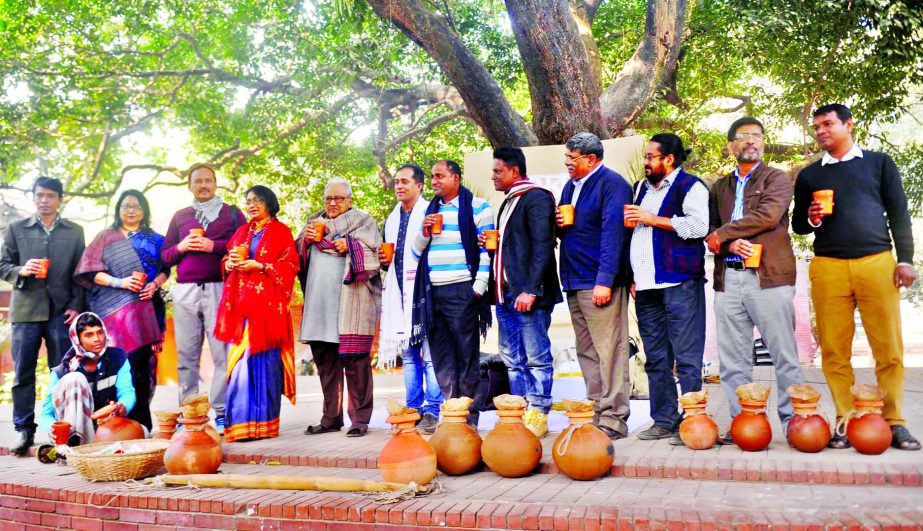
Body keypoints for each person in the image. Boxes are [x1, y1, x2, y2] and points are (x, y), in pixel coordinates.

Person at [792, 103, 919, 451]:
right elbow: (799, 225)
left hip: (877, 262)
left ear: (849, 125)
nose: (821, 131)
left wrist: (905, 259)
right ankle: (845, 419)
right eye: (816, 127)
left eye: (828, 124)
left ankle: (893, 422)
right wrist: (813, 217)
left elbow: (898, 213)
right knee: (834, 350)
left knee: (889, 349)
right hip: (828, 266)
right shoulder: (810, 175)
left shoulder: (879, 163)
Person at [705, 117, 804, 444]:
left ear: (763, 143)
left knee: (784, 356)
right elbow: (709, 231)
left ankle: (795, 423)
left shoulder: (777, 178)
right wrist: (727, 242)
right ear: (731, 145)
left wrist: (723, 234)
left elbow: (768, 216)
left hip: (770, 279)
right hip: (729, 279)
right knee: (733, 362)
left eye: (757, 136)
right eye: (743, 137)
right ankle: (745, 423)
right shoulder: (720, 187)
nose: (750, 141)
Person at [626, 133, 709, 445]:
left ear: (668, 160)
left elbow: (699, 227)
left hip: (679, 283)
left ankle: (694, 421)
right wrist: (632, 274)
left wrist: (652, 218)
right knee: (656, 357)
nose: (646, 162)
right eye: (646, 157)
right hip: (646, 287)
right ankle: (664, 420)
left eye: (650, 157)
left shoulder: (691, 186)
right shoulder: (640, 189)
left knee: (687, 356)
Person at [0, 176, 86, 456]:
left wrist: (75, 305)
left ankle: (61, 430)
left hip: (61, 312)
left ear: (60, 199)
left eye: (50, 195)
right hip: (26, 311)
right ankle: (23, 430)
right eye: (39, 195)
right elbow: (3, 265)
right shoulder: (16, 229)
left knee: (61, 373)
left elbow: (79, 273)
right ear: (33, 198)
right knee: (23, 372)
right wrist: (20, 270)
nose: (44, 200)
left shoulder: (75, 231)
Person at [556, 133, 633, 440]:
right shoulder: (569, 187)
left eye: (572, 158)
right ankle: (597, 410)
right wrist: (558, 225)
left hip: (599, 282)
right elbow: (574, 231)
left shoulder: (612, 184)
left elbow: (613, 236)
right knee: (586, 351)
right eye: (567, 157)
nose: (567, 163)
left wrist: (605, 281)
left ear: (591, 159)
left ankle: (615, 416)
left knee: (609, 350)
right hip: (574, 279)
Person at [74, 190, 170, 431]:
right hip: (111, 313)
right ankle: (111, 424)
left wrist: (154, 284)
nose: (131, 211)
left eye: (137, 207)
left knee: (139, 367)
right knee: (113, 365)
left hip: (144, 312)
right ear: (119, 209)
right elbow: (90, 272)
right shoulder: (105, 237)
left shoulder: (157, 239)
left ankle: (141, 424)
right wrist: (121, 282)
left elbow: (166, 268)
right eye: (126, 206)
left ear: (145, 211)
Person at [161, 164, 246, 434]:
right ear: (190, 185)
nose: (203, 185)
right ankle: (189, 413)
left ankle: (221, 413)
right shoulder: (180, 216)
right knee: (186, 357)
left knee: (222, 354)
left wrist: (214, 246)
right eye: (198, 181)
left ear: (216, 183)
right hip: (185, 290)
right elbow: (165, 256)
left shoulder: (231, 213)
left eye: (208, 180)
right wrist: (182, 246)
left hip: (221, 288)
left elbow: (245, 246)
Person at [484, 147, 561, 438]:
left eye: (497, 171)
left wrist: (531, 290)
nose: (493, 176)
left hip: (528, 296)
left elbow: (543, 245)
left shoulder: (536, 197)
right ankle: (517, 412)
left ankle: (538, 414)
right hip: (505, 295)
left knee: (536, 357)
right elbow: (515, 245)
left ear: (514, 171)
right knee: (512, 360)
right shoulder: (508, 203)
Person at [411, 160, 494, 428]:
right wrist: (424, 231)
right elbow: (415, 252)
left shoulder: (477, 206)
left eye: (440, 176)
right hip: (432, 291)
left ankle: (469, 416)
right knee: (442, 356)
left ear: (455, 178)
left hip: (463, 290)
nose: (434, 181)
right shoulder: (429, 210)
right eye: (433, 177)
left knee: (466, 355)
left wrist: (478, 288)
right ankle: (453, 413)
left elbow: (487, 248)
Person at [214, 185, 299, 442]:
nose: (251, 205)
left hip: (268, 310)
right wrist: (228, 263)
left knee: (265, 364)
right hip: (241, 309)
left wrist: (261, 265)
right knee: (239, 365)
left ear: (269, 203)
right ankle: (240, 425)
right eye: (249, 201)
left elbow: (291, 265)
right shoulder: (241, 232)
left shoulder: (281, 232)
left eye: (257, 200)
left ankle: (265, 425)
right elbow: (227, 260)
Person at [299, 179, 382, 438]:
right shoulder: (312, 224)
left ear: (350, 200)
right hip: (319, 303)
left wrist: (350, 245)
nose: (333, 203)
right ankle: (330, 417)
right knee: (325, 363)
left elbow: (377, 257)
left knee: (356, 363)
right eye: (328, 198)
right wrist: (306, 242)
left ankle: (359, 419)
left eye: (339, 198)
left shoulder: (364, 222)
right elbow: (296, 258)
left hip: (352, 303)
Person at [378, 164, 444, 434]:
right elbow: (389, 261)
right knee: (408, 356)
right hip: (399, 294)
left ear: (420, 185)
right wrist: (384, 262)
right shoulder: (391, 219)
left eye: (405, 181)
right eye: (396, 182)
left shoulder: (431, 212)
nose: (399, 186)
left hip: (424, 294)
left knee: (429, 356)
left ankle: (433, 409)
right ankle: (413, 408)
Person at [37, 312, 136, 446]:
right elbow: (45, 415)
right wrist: (55, 428)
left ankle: (91, 446)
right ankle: (76, 444)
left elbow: (127, 392)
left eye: (100, 332)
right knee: (75, 378)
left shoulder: (118, 358)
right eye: (89, 335)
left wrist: (123, 406)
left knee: (142, 432)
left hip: (105, 426)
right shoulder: (62, 371)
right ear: (77, 339)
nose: (97, 339)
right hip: (71, 432)